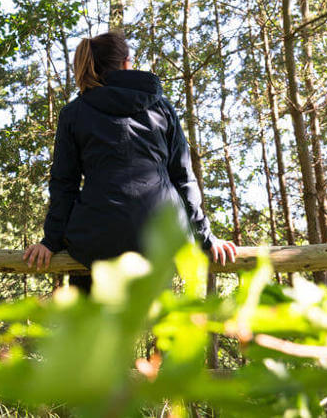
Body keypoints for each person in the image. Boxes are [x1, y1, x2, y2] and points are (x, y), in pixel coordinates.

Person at [22, 31, 238, 293]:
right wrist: (205, 237)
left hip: (98, 243)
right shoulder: (162, 108)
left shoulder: (74, 113)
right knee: (161, 318)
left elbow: (63, 184)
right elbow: (183, 177)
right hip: (161, 239)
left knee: (87, 322)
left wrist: (51, 241)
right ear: (127, 62)